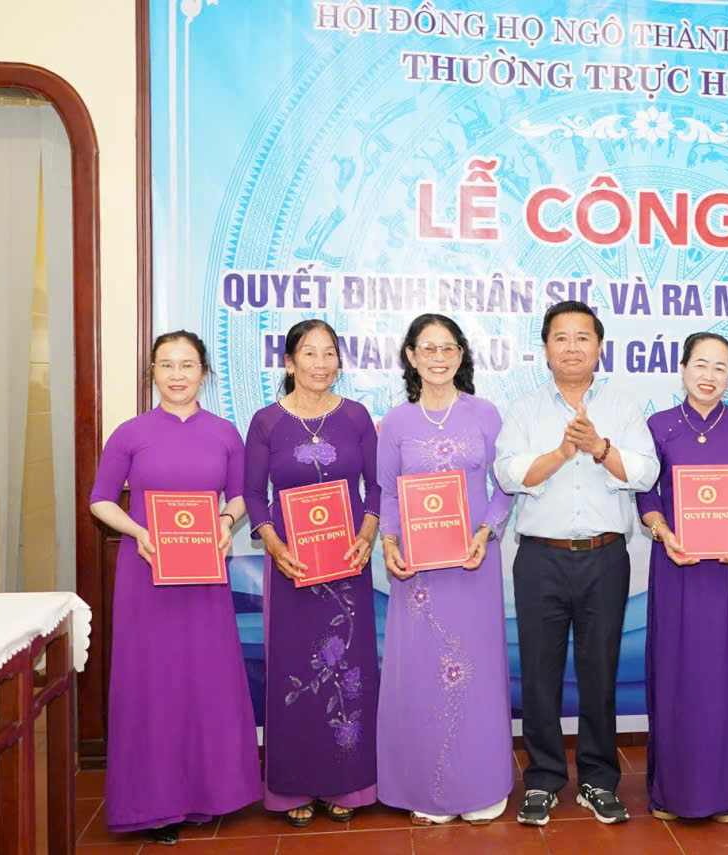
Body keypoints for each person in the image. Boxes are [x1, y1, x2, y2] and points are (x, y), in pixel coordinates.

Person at [88, 331, 260, 845]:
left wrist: (226, 521)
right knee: (153, 683)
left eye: (188, 365)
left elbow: (241, 495)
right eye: (167, 364)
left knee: (205, 680)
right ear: (153, 372)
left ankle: (209, 794)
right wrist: (139, 531)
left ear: (204, 372)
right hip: (146, 573)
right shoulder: (130, 433)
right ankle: (155, 803)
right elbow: (100, 500)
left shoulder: (225, 433)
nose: (177, 374)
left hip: (204, 575)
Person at [494, 300, 660, 827]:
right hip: (540, 558)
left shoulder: (624, 408)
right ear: (545, 349)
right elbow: (508, 474)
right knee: (539, 673)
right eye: (561, 338)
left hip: (605, 557)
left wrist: (600, 447)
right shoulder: (524, 410)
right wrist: (564, 454)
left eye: (582, 337)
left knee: (600, 671)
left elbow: (647, 472)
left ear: (599, 347)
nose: (572, 347)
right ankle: (543, 779)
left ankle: (598, 778)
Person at [375, 314, 514, 825]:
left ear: (461, 354)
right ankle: (426, 787)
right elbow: (388, 492)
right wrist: (389, 543)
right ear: (411, 356)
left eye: (448, 347)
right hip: (417, 571)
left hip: (473, 561)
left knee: (476, 672)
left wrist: (488, 531)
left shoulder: (485, 414)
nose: (438, 357)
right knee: (422, 674)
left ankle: (480, 784)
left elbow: (505, 486)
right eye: (427, 348)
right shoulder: (396, 422)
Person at [243, 319, 381, 827]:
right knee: (293, 670)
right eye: (308, 352)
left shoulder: (356, 416)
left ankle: (349, 781)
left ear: (339, 361)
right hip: (291, 565)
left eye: (329, 353)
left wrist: (367, 533)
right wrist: (274, 544)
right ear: (289, 362)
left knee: (349, 669)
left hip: (348, 563)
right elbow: (253, 493)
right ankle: (292, 786)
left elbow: (377, 486)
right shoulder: (266, 422)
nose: (320, 363)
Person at [635, 332, 728, 823]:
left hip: (727, 567)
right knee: (676, 671)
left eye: (720, 368)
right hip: (677, 564)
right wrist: (663, 532)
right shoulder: (659, 426)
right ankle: (672, 792)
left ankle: (726, 793)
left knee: (723, 674)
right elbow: (646, 493)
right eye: (700, 364)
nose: (709, 376)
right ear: (683, 368)